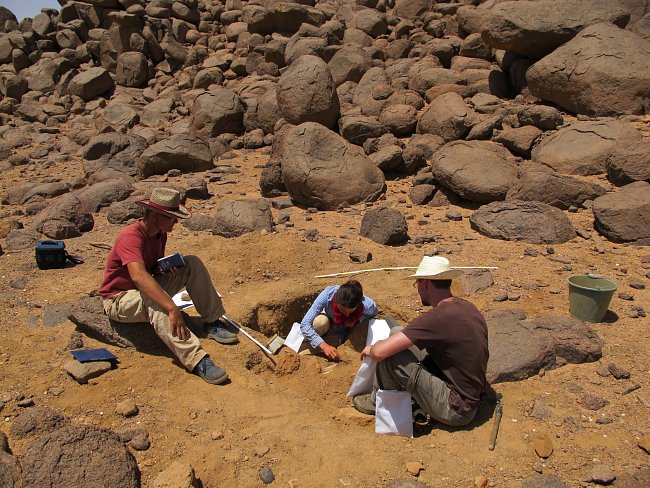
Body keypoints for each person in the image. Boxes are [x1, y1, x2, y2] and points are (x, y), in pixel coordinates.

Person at [98, 187, 238, 385]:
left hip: (143, 287)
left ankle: (212, 321)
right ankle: (196, 359)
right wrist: (171, 307)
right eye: (172, 218)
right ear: (156, 216)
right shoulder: (130, 237)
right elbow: (138, 276)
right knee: (156, 301)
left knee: (192, 263)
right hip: (118, 298)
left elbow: (148, 269)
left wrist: (161, 269)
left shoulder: (159, 234)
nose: (176, 222)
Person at [352, 256, 489, 427]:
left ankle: (381, 402)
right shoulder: (466, 306)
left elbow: (380, 353)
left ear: (424, 283)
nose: (417, 289)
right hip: (471, 392)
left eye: (417, 283)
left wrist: (373, 348)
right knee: (396, 332)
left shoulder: (437, 317)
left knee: (391, 358)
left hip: (456, 408)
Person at [300, 280, 378, 361]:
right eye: (342, 310)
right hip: (326, 321)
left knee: (332, 345)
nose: (346, 315)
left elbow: (373, 313)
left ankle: (299, 349)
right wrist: (324, 346)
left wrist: (357, 319)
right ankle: (299, 340)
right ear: (336, 300)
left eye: (351, 312)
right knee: (320, 323)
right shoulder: (328, 294)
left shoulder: (366, 305)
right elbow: (305, 324)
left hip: (339, 332)